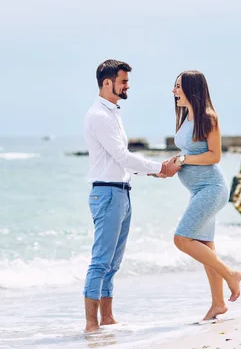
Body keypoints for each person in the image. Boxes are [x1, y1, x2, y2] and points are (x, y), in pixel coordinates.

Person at [83, 59, 180, 333]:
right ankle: (91, 324)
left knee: (113, 263)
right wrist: (160, 167)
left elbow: (119, 161)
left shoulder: (113, 113)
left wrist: (152, 173)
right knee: (101, 261)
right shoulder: (99, 116)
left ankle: (108, 318)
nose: (128, 86)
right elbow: (122, 156)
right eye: (123, 81)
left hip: (121, 193)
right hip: (107, 194)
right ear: (107, 83)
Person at [169, 70, 241, 320]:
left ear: (191, 88)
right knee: (204, 246)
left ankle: (231, 274)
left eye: (178, 86)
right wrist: (171, 166)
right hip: (198, 191)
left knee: (181, 239)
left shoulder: (208, 117)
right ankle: (218, 304)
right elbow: (189, 153)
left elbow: (214, 155)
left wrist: (183, 159)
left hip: (212, 189)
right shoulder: (187, 116)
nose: (174, 91)